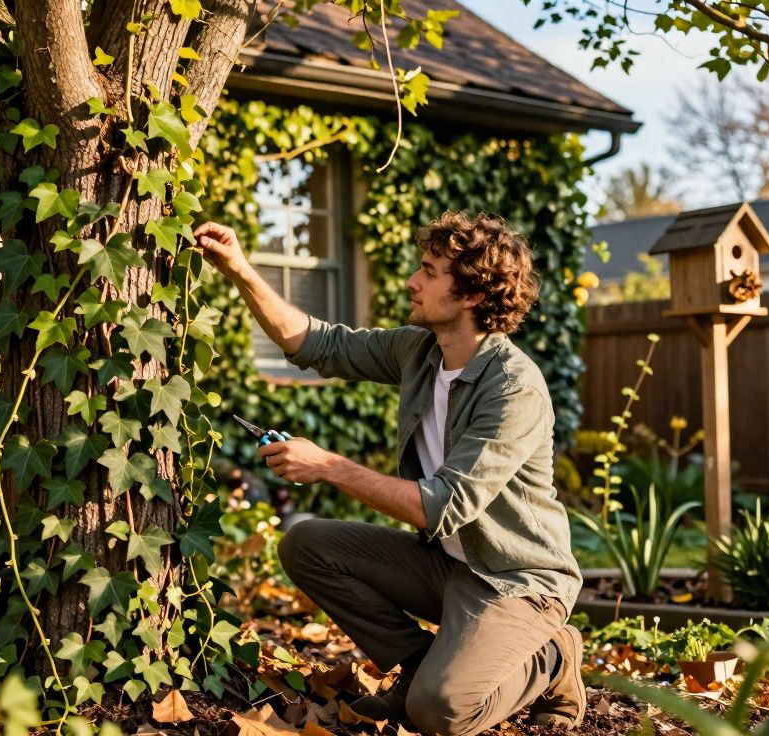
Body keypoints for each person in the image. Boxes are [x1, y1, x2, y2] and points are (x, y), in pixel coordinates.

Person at [191, 212, 585, 735]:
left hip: (516, 580)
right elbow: (315, 343)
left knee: (440, 712)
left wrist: (328, 466)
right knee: (307, 543)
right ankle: (423, 665)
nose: (412, 282)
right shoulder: (419, 352)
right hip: (448, 567)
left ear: (470, 295)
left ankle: (554, 657)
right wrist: (239, 267)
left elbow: (442, 505)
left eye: (429, 271)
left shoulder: (514, 388)